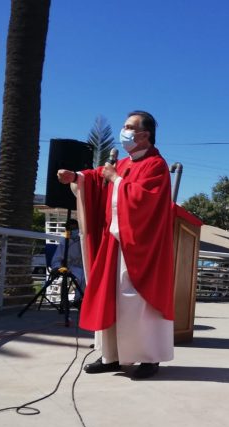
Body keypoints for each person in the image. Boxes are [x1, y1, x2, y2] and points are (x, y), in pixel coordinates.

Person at [57, 110, 174, 380]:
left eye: (130, 127)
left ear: (145, 135)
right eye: (125, 126)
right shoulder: (121, 164)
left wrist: (116, 181)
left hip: (140, 246)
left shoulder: (156, 165)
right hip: (115, 244)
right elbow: (97, 178)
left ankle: (148, 357)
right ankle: (112, 356)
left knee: (136, 302)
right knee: (112, 299)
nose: (125, 131)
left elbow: (146, 200)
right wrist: (76, 177)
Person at [50, 218, 85, 305]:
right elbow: (56, 259)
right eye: (71, 229)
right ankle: (78, 300)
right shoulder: (64, 243)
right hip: (69, 267)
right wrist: (57, 268)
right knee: (82, 275)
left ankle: (84, 299)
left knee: (87, 274)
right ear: (67, 230)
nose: (74, 231)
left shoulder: (83, 240)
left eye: (75, 228)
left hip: (82, 266)